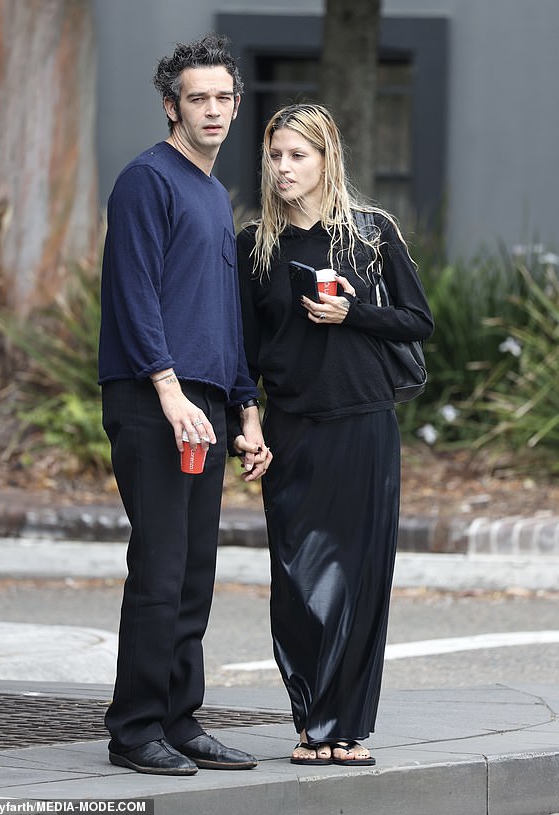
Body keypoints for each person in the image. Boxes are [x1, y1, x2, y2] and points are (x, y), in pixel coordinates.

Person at [236, 103, 433, 767]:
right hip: (292, 429)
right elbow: (245, 351)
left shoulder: (370, 234)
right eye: (276, 155)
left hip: (365, 424)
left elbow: (417, 321)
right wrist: (250, 423)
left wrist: (352, 311)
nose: (283, 167)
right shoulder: (254, 245)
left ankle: (344, 727)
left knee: (360, 578)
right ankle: (311, 717)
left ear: (326, 161)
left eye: (297, 155)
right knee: (295, 582)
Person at [98, 34, 272, 777]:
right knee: (161, 567)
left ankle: (179, 716)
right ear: (172, 105)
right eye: (196, 97)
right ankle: (135, 727)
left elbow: (224, 318)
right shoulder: (148, 180)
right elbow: (134, 293)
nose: (211, 109)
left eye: (223, 97)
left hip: (203, 399)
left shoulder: (209, 192)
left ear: (236, 106)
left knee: (195, 569)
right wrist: (168, 392)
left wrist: (246, 411)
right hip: (151, 396)